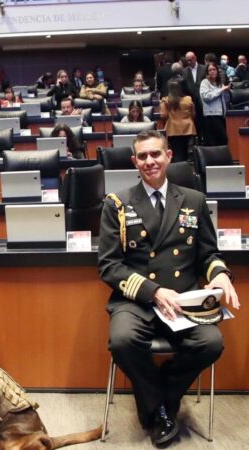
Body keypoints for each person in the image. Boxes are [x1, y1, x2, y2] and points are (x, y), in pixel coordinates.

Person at [98, 130, 239, 447]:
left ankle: (159, 397)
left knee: (211, 343)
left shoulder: (194, 200)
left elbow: (208, 254)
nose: (150, 161)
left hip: (184, 300)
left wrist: (220, 274)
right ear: (134, 161)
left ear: (169, 156)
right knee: (121, 341)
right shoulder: (117, 204)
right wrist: (154, 292)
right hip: (136, 300)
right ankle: (161, 408)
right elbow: (109, 266)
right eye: (143, 156)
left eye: (156, 154)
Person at [159, 80, 196, 163]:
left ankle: (178, 170)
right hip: (188, 128)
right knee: (188, 153)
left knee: (176, 153)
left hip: (173, 129)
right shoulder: (188, 99)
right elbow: (193, 115)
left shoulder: (166, 101)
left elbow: (163, 116)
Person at [199, 62, 230, 147]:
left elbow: (225, 99)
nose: (212, 72)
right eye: (210, 70)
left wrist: (226, 91)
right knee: (216, 141)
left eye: (214, 69)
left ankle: (222, 159)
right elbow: (206, 97)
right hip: (211, 115)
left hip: (221, 115)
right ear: (207, 72)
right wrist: (221, 90)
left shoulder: (219, 83)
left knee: (222, 140)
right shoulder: (204, 83)